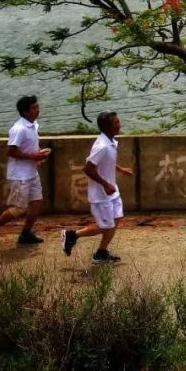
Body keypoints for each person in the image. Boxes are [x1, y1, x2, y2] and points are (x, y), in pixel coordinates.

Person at [0, 95, 51, 249]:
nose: (38, 110)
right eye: (34, 108)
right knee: (20, 208)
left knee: (37, 202)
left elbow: (28, 148)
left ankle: (26, 233)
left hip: (32, 172)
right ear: (25, 112)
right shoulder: (19, 129)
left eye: (37, 107)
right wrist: (32, 156)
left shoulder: (33, 125)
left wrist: (38, 155)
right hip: (20, 175)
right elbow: (11, 151)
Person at [61, 111, 133, 264]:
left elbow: (107, 161)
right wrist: (105, 184)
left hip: (112, 192)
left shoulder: (111, 142)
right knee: (106, 226)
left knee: (116, 219)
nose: (120, 125)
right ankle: (73, 236)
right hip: (101, 195)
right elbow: (88, 168)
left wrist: (121, 170)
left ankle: (101, 252)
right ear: (107, 127)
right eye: (116, 123)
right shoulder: (102, 146)